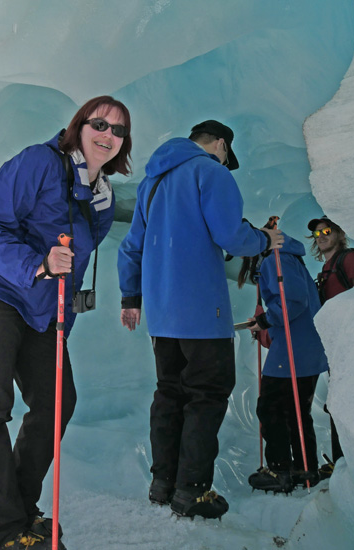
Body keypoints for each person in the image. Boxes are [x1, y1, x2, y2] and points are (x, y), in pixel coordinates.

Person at [0, 96, 133, 550]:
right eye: (100, 123)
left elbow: (75, 263)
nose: (108, 135)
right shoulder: (39, 162)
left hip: (39, 309)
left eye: (119, 131)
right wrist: (38, 264)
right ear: (79, 125)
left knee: (55, 402)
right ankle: (2, 533)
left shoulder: (102, 199)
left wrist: (59, 318)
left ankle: (22, 516)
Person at [118, 120, 283, 519]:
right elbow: (231, 236)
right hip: (203, 313)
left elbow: (131, 247)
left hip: (162, 316)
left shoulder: (151, 183)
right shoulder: (211, 172)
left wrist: (131, 297)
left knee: (169, 393)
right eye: (227, 156)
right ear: (221, 145)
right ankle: (193, 491)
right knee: (207, 394)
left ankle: (163, 484)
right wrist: (264, 239)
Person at [238, 229, 329, 493]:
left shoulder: (274, 259)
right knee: (295, 411)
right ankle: (304, 469)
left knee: (271, 409)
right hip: (304, 347)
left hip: (293, 349)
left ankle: (280, 471)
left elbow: (293, 300)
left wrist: (266, 320)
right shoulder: (285, 257)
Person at [308, 216, 354, 477]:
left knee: (350, 403)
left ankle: (353, 462)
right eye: (317, 233)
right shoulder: (327, 269)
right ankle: (341, 462)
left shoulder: (350, 259)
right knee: (338, 404)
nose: (321, 236)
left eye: (327, 231)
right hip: (338, 349)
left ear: (340, 233)